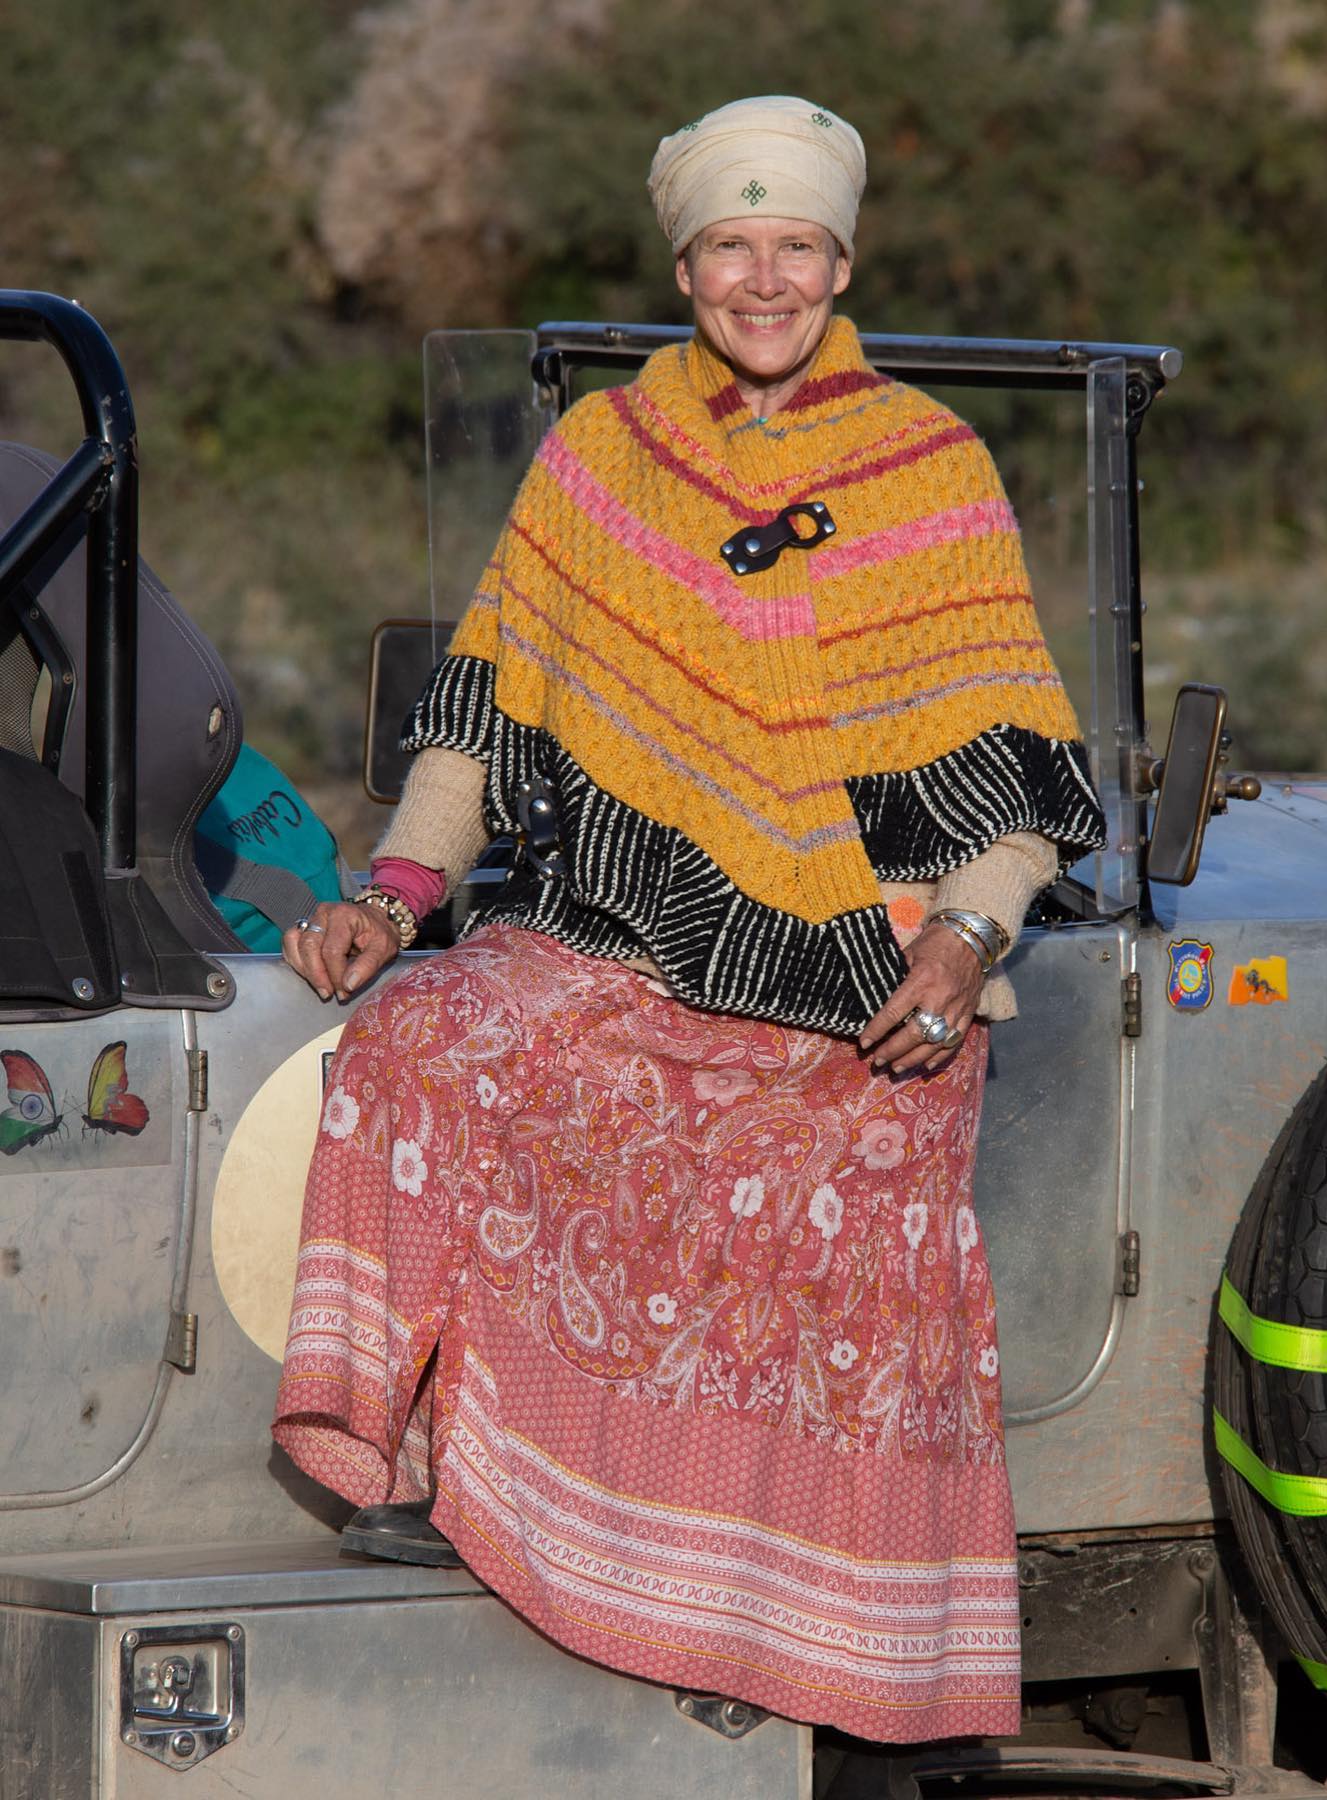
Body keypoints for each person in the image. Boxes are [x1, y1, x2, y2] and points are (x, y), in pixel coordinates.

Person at [273, 94, 1104, 1747]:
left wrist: (963, 944)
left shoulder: (932, 470)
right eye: (733, 245)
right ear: (686, 266)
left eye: (795, 243)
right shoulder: (603, 459)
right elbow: (483, 713)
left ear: (843, 261)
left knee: (877, 1149)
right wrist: (394, 890)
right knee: (433, 1035)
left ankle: (769, 1619)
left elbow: (1013, 801)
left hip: (864, 972)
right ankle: (436, 1475)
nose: (765, 276)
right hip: (630, 950)